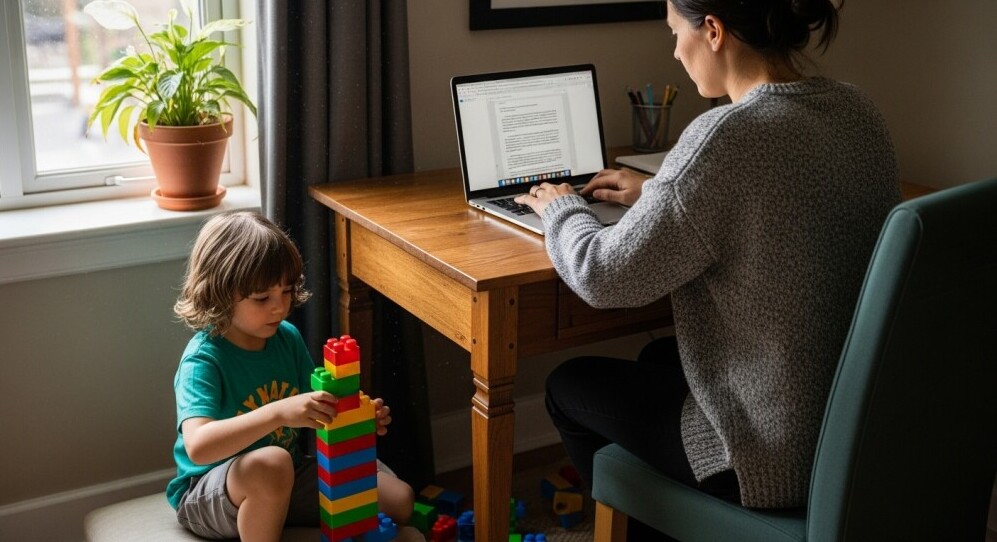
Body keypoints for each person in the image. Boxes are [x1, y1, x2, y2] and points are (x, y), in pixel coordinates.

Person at [515, 0, 899, 518]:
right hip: (848, 425)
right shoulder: (855, 111)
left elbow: (600, 274)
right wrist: (659, 193)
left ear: (713, 31)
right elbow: (781, 202)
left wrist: (560, 208)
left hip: (769, 453)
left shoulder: (725, 135)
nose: (675, 51)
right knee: (657, 359)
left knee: (568, 385)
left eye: (677, 32)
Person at [168, 211, 419, 542]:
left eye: (286, 291)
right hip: (210, 492)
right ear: (219, 292)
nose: (280, 307)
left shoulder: (286, 338)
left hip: (287, 472)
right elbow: (199, 447)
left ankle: (277, 518)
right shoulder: (204, 359)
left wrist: (354, 418)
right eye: (262, 298)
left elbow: (315, 410)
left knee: (399, 501)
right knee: (272, 464)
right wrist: (278, 412)